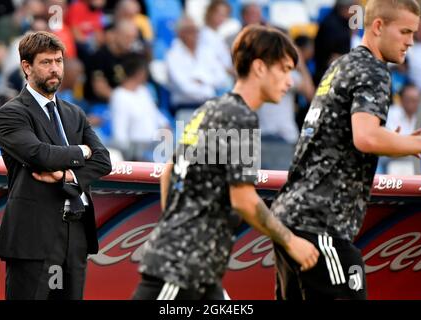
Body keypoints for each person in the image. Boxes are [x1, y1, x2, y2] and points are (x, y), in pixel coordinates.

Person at [133, 25, 319, 300]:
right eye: (284, 68)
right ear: (259, 67)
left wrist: (172, 227)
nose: (290, 81)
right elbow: (243, 199)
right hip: (180, 271)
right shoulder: (241, 117)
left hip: (199, 271)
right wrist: (291, 242)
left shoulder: (212, 108)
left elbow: (169, 170)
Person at [270, 0, 421, 300]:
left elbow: (346, 140)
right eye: (405, 31)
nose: (411, 40)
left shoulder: (342, 64)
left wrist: (397, 142)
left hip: (290, 219)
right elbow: (366, 138)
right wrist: (420, 142)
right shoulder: (374, 70)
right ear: (378, 26)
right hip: (320, 224)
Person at [0, 31, 112, 300]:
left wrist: (68, 175)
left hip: (76, 234)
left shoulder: (74, 113)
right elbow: (41, 154)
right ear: (27, 66)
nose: (55, 69)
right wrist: (82, 151)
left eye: (58, 61)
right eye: (46, 62)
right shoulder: (12, 112)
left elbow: (103, 160)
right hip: (33, 237)